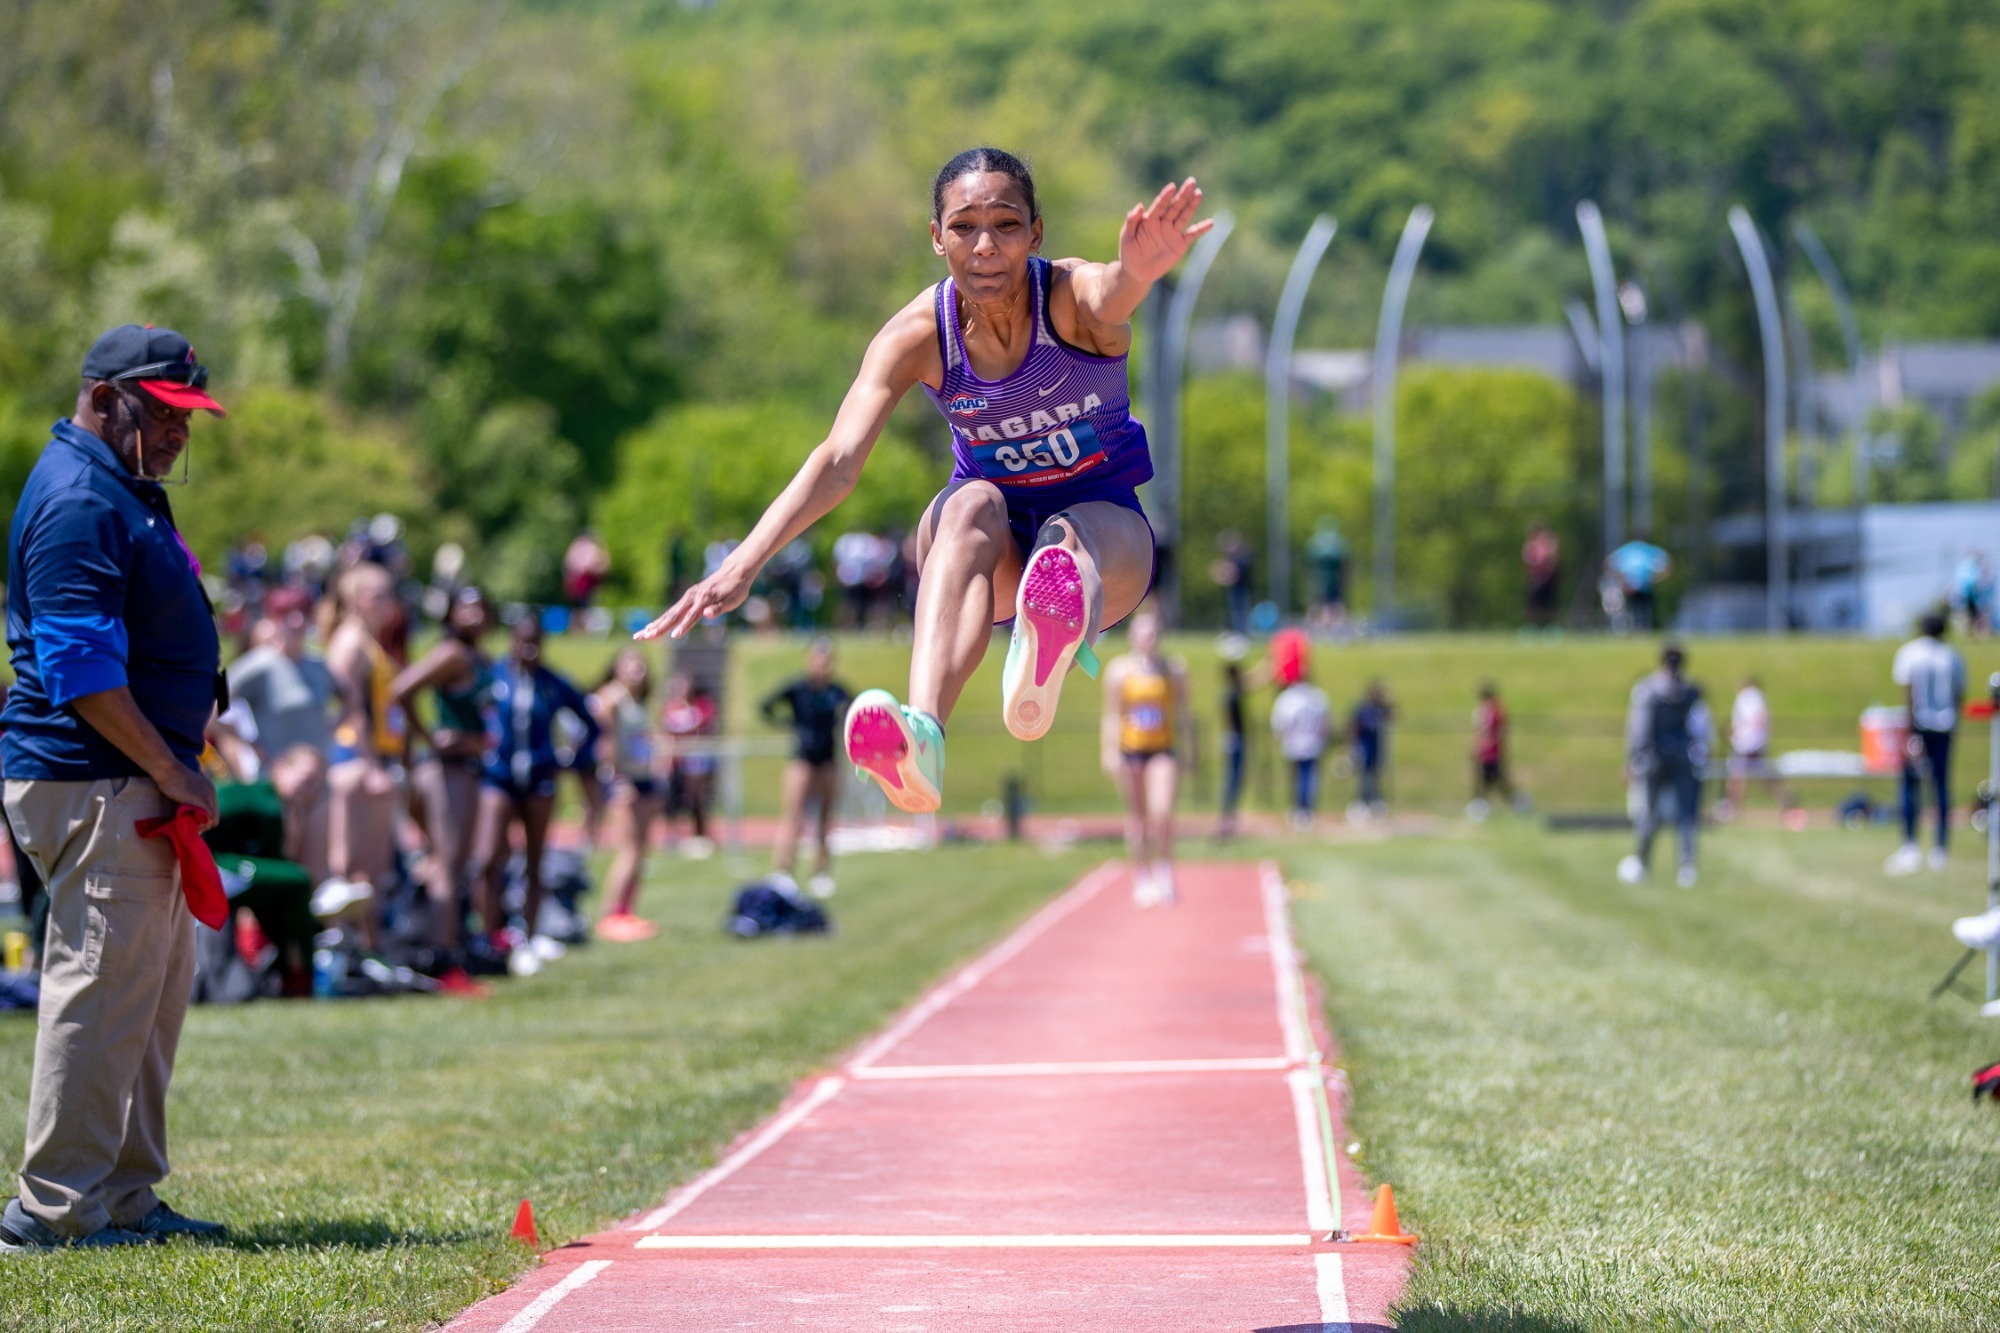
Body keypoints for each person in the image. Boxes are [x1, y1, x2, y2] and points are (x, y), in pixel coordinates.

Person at [638, 149, 1212, 818]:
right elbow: (837, 459)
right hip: (993, 552)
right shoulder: (919, 334)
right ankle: (923, 735)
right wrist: (743, 562)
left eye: (1005, 224)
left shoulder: (1069, 296)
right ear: (936, 236)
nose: (986, 246)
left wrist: (1138, 272)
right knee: (966, 502)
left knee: (1066, 534)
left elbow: (1111, 290)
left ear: (1036, 233)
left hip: (1105, 544)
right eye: (964, 226)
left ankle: (1048, 625)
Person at [0, 324, 229, 1250]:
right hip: (95, 778)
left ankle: (124, 1195)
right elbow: (79, 666)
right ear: (103, 397)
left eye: (188, 415)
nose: (177, 431)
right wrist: (170, 764)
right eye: (162, 411)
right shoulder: (78, 499)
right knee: (101, 989)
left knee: (146, 991)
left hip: (127, 781)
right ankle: (53, 1209)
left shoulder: (117, 487)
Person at [472, 617, 599, 974]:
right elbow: (471, 711)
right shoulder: (496, 677)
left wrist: (571, 759)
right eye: (521, 642)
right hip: (500, 776)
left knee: (534, 860)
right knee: (488, 858)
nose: (528, 650)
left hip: (540, 779)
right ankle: (488, 935)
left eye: (534, 643)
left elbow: (590, 723)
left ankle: (527, 936)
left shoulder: (553, 683)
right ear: (511, 641)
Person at [390, 587, 494, 978]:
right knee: (448, 866)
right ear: (449, 615)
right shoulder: (451, 653)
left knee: (453, 864)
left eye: (480, 605)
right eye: (464, 607)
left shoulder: (477, 657)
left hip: (467, 770)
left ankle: (449, 948)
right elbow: (401, 690)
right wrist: (430, 738)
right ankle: (442, 959)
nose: (474, 614)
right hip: (446, 771)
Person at [220, 586, 335, 879]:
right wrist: (252, 746)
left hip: (318, 785)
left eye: (303, 613)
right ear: (273, 620)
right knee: (278, 873)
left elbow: (352, 700)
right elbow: (212, 707)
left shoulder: (318, 666)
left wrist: (335, 730)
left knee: (314, 874)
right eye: (287, 614)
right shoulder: (260, 665)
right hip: (277, 785)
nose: (296, 621)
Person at [324, 562, 404, 944]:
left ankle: (371, 947)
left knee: (373, 866)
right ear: (355, 599)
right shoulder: (351, 641)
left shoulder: (369, 640)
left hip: (372, 756)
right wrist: (370, 764)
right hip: (354, 760)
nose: (387, 603)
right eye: (378, 594)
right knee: (353, 864)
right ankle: (352, 947)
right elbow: (345, 707)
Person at [1101, 608, 1190, 906]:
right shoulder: (1119, 671)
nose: (1147, 638)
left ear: (1159, 636)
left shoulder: (1173, 668)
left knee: (1162, 812)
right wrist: (1110, 751)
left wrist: (1189, 750)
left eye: (1152, 633)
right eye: (1142, 632)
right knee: (1137, 818)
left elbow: (1183, 712)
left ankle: (1164, 869)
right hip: (1131, 750)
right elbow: (1112, 715)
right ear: (1133, 636)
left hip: (1162, 748)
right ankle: (1142, 875)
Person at [760, 639, 852, 898]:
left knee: (825, 818)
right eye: (817, 659)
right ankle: (783, 871)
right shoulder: (798, 688)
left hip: (828, 761)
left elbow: (856, 709)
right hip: (802, 760)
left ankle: (821, 872)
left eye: (826, 660)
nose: (822, 665)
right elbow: (765, 706)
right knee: (793, 818)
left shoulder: (837, 691)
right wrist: (789, 725)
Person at [1619, 644, 1711, 888]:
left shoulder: (1648, 689)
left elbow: (1639, 729)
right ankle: (1686, 866)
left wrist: (1631, 760)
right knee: (1685, 814)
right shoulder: (1691, 690)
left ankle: (1642, 863)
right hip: (1682, 757)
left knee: (1649, 814)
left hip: (1654, 759)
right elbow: (1700, 727)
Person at [1885, 611, 1966, 875]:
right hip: (1944, 727)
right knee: (1941, 786)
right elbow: (1959, 693)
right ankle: (1940, 848)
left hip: (1919, 726)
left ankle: (1910, 846)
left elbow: (1908, 692)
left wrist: (1909, 730)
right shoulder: (1952, 655)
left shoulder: (1910, 653)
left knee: (1910, 785)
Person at [592, 647, 663, 940]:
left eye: (640, 664)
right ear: (617, 667)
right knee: (629, 850)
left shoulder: (639, 700)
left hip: (644, 779)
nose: (637, 669)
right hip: (624, 781)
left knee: (641, 851)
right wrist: (617, 779)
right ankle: (610, 915)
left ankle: (626, 911)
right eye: (630, 663)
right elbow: (603, 742)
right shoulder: (612, 697)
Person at [1719, 675, 1795, 821]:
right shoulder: (1756, 697)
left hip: (1746, 744)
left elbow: (1756, 718)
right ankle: (1787, 801)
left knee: (1738, 778)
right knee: (1761, 778)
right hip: (1753, 743)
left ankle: (1732, 809)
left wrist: (1738, 731)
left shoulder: (1749, 697)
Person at [661, 675, 717, 856]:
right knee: (671, 798)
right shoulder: (671, 707)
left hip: (696, 760)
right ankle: (672, 835)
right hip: (675, 760)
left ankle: (701, 835)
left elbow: (703, 725)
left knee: (696, 798)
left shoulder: (701, 704)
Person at [1270, 669, 1333, 830]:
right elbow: (1325, 722)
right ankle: (1305, 809)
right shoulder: (1317, 697)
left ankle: (1300, 808)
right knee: (1308, 777)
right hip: (1312, 742)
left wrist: (1282, 738)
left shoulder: (1287, 699)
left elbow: (1280, 723)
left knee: (1298, 777)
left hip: (1294, 743)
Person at [1468, 683, 1516, 821]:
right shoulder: (1493, 710)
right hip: (1489, 753)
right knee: (1491, 781)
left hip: (1491, 753)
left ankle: (1479, 808)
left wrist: (1478, 746)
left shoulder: (1493, 711)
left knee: (1492, 781)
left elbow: (1488, 731)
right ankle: (1480, 807)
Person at [1350, 681, 1394, 818]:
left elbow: (1392, 716)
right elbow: (1353, 726)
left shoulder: (1380, 710)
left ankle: (1375, 801)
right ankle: (1362, 803)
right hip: (1364, 747)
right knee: (1364, 776)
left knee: (1375, 776)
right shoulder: (1363, 709)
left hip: (1377, 749)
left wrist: (1388, 703)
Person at [1606, 539, 1670, 632]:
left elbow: (1609, 561)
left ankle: (1641, 629)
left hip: (1638, 587)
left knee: (1639, 609)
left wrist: (1620, 578)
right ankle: (1640, 628)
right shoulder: (1647, 550)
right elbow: (1665, 562)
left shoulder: (1629, 550)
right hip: (1638, 587)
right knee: (1641, 609)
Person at [1218, 659, 1247, 838]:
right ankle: (1227, 819)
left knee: (1233, 779)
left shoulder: (1229, 692)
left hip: (1233, 739)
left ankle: (1228, 817)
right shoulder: (1233, 693)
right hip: (1235, 740)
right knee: (1233, 779)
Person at [1304, 517, 1348, 633]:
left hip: (1321, 582)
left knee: (1323, 606)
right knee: (1332, 606)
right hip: (1328, 582)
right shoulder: (1335, 548)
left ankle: (1320, 628)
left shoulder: (1318, 547)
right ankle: (1332, 629)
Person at [1211, 531, 1253, 636]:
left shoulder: (1241, 558)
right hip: (1235, 589)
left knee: (1241, 612)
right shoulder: (1232, 557)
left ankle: (1242, 633)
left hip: (1241, 589)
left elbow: (1234, 573)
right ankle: (1238, 632)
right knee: (1236, 612)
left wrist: (1225, 575)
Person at [1523, 523, 1560, 629]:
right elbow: (1528, 561)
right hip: (1536, 578)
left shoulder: (1549, 546)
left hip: (1548, 579)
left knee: (1549, 604)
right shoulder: (1532, 546)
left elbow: (1553, 560)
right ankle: (1532, 627)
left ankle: (1550, 627)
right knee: (1533, 604)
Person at [561, 530, 611, 609]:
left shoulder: (592, 547)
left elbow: (603, 564)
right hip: (580, 582)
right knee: (580, 606)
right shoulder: (579, 547)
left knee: (587, 605)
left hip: (588, 581)